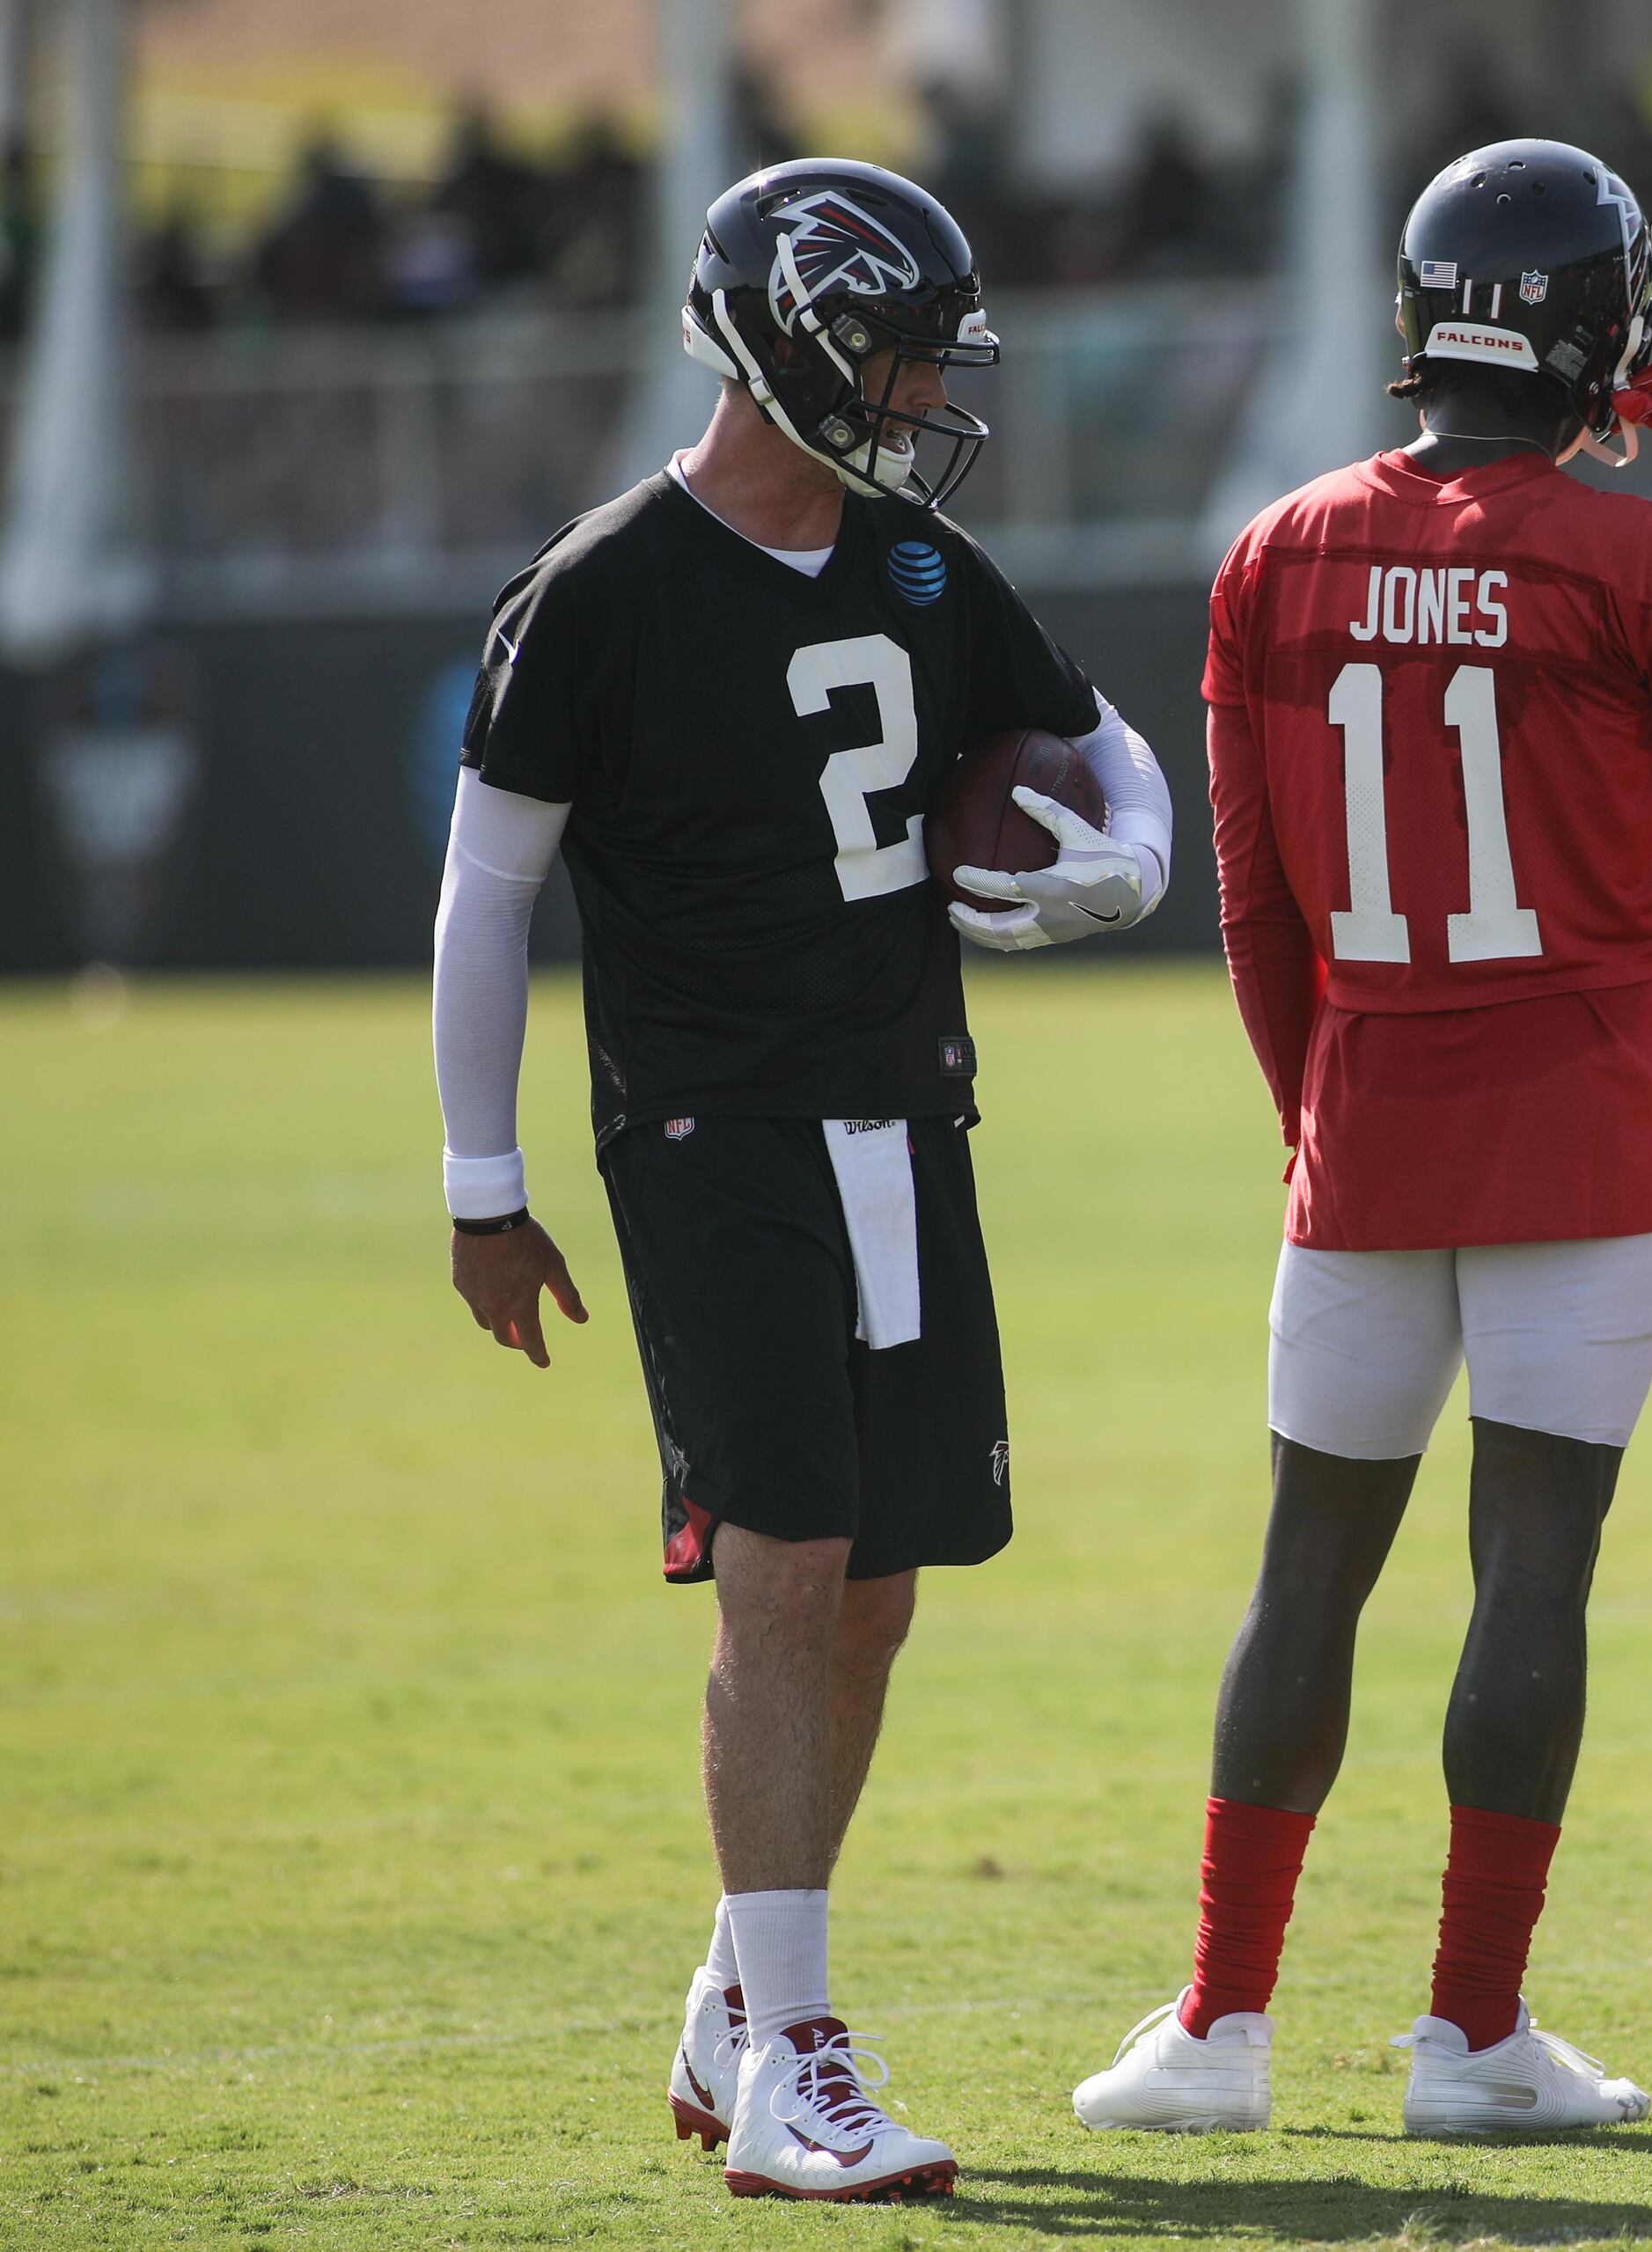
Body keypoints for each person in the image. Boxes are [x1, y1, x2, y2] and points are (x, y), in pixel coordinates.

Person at [1069, 138, 1652, 2138]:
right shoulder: (1636, 552)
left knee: (1304, 1573)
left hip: (1368, 1129)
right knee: (1530, 1575)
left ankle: (1217, 2023)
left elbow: (1256, 910)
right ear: (1600, 325)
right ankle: (1467, 2036)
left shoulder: (1272, 552)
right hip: (1586, 1141)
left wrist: (1314, 1120)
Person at [432, 159, 1173, 2201]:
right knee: (776, 1561)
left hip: (903, 1115)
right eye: (900, 347)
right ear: (785, 340)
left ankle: (732, 1995)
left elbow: (1103, 743)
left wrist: (1130, 855)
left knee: (875, 1589)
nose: (927, 387)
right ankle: (796, 2064)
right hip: (708, 1128)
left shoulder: (923, 569)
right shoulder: (600, 591)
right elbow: (484, 897)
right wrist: (481, 1181)